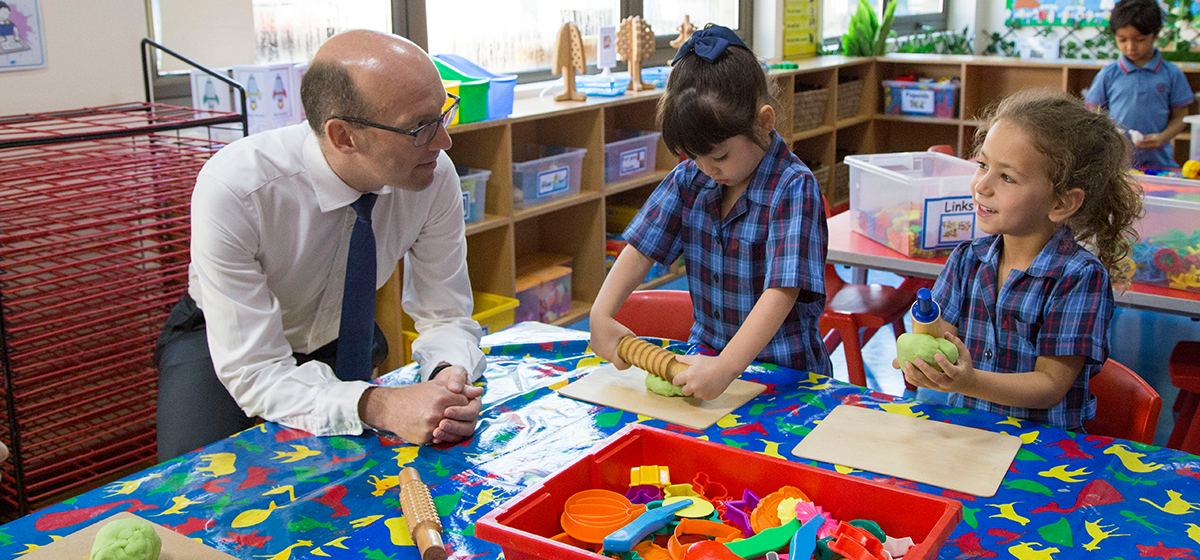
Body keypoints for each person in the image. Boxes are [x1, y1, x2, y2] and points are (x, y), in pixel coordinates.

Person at [155, 30, 485, 461]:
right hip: (229, 341)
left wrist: (448, 376)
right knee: (200, 482)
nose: (444, 142)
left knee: (359, 470)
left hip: (342, 329)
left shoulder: (432, 173)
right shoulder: (237, 189)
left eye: (443, 114)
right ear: (343, 136)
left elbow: (445, 314)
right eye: (421, 128)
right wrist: (379, 403)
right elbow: (256, 370)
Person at [589, 25, 831, 401]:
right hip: (703, 365)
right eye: (694, 156)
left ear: (763, 122)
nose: (707, 168)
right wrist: (600, 315)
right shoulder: (691, 180)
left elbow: (781, 291)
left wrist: (727, 366)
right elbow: (640, 249)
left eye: (718, 156)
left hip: (785, 375)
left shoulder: (793, 187)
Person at [895, 89, 1143, 431]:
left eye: (1007, 177)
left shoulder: (1079, 277)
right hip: (968, 437)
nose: (982, 185)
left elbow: (1049, 386)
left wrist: (968, 381)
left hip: (1041, 452)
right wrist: (927, 359)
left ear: (1062, 203)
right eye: (983, 165)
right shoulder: (967, 260)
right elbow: (940, 341)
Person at [1084, 0, 1193, 168]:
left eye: (1140, 39)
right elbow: (1093, 112)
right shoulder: (1109, 73)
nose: (1130, 47)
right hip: (1117, 165)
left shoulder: (1171, 73)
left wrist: (1163, 137)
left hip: (1159, 164)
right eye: (1122, 40)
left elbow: (1181, 116)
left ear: (1156, 33)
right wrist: (1109, 133)